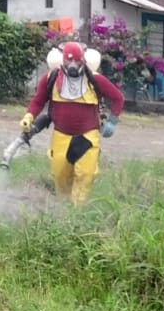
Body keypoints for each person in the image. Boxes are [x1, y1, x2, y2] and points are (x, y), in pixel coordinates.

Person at [21, 41, 125, 207]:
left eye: (77, 61)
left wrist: (112, 121)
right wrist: (29, 116)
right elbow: (38, 101)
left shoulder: (94, 79)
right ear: (62, 60)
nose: (73, 65)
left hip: (87, 136)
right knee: (60, 176)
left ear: (83, 60)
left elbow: (118, 98)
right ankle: (63, 211)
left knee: (85, 174)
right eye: (69, 61)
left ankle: (78, 211)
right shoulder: (51, 79)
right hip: (61, 137)